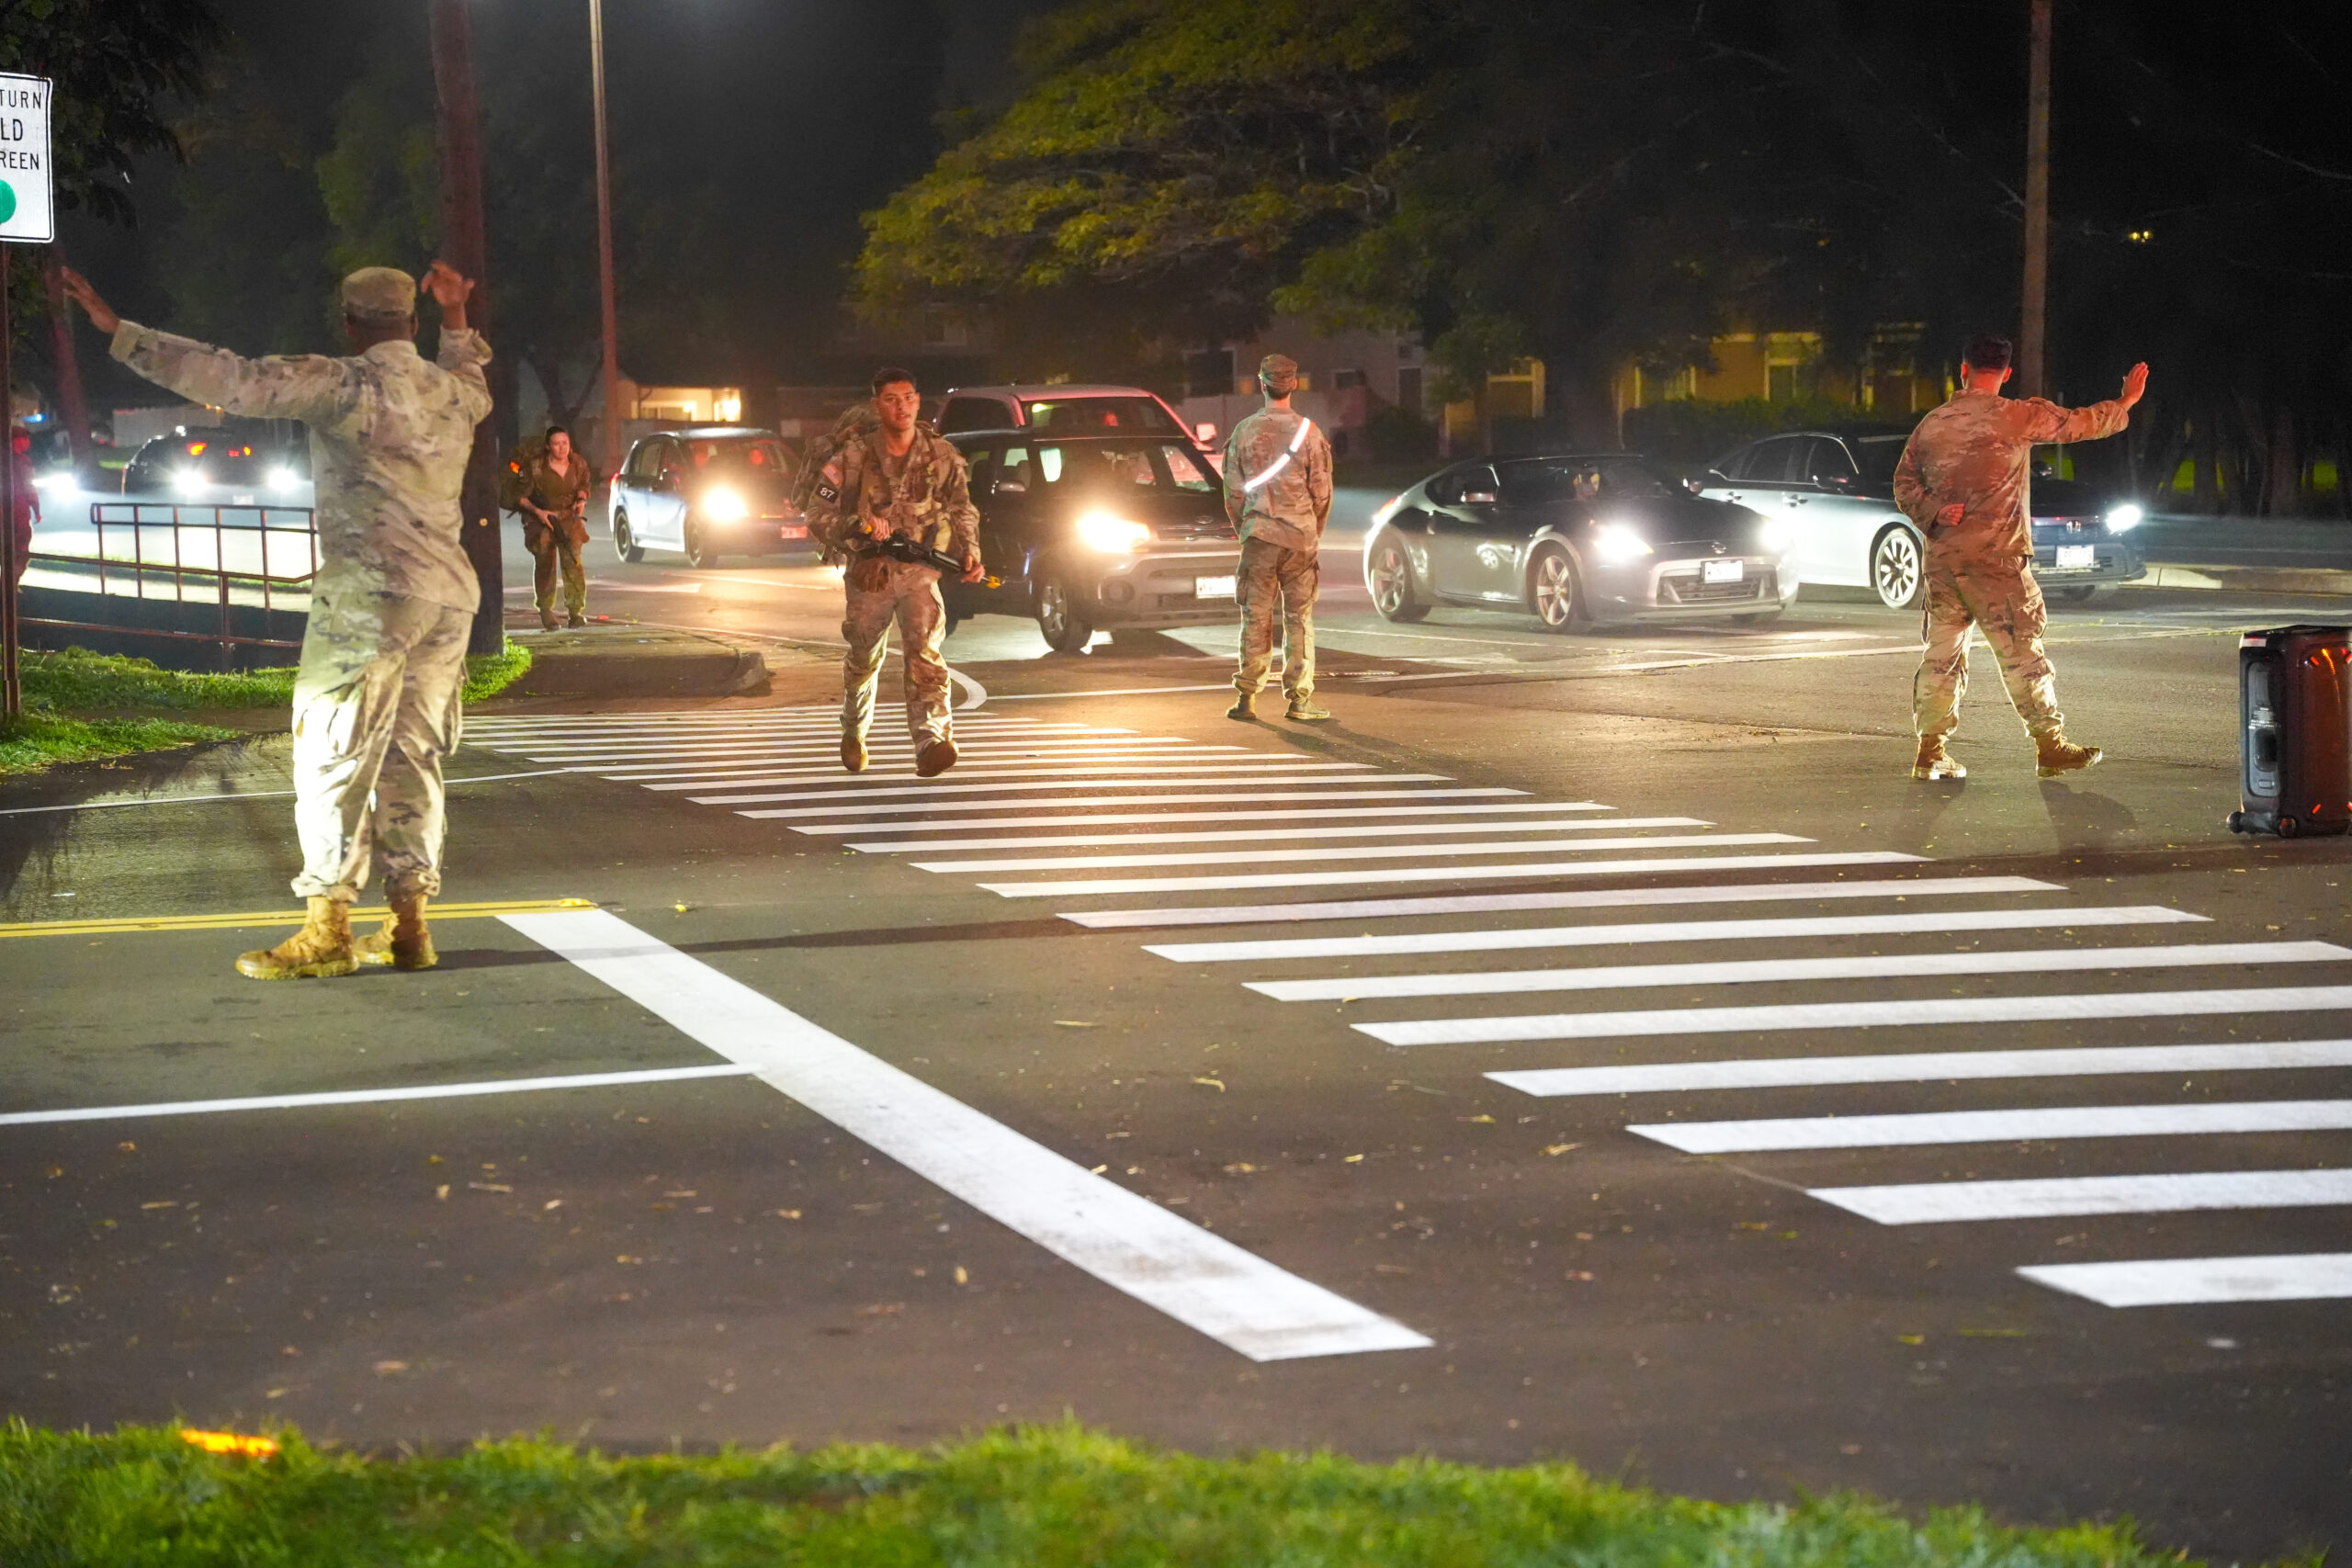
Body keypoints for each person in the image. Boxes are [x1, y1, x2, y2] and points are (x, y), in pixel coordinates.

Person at [60, 261, 493, 977]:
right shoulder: (452, 394)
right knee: (413, 757)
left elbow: (233, 378)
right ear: (410, 323)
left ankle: (328, 928)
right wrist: (456, 316)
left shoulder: (341, 382)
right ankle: (410, 925)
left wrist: (122, 332)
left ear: (350, 324)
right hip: (447, 597)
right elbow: (472, 375)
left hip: (369, 595)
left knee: (332, 755)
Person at [1894, 333, 2147, 781]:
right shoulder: (2015, 416)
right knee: (2022, 655)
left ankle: (1930, 752)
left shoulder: (1932, 424)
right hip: (1997, 561)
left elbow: (1903, 483)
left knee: (1941, 657)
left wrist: (1933, 512)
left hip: (1945, 561)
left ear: (1963, 370)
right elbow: (2080, 423)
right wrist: (2126, 400)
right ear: (2007, 373)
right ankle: (2050, 746)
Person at [805, 367, 983, 776]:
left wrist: (971, 551)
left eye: (907, 398)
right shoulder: (851, 458)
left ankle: (931, 741)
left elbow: (961, 506)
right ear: (877, 406)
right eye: (890, 399)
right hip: (871, 573)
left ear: (918, 402)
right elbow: (815, 514)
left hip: (920, 570)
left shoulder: (940, 454)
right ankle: (854, 728)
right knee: (864, 655)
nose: (901, 407)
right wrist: (857, 524)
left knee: (925, 652)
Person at [1222, 352, 1333, 722]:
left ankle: (1247, 698)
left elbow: (1233, 493)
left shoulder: (1244, 432)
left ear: (1262, 383)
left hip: (1259, 537)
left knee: (1255, 616)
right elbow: (1322, 493)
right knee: (1299, 618)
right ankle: (1299, 700)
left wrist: (1246, 530)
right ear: (1293, 384)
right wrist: (1312, 531)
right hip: (1299, 539)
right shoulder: (1309, 433)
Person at [510, 424, 595, 630]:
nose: (562, 447)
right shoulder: (536, 468)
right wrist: (538, 512)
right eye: (556, 444)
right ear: (548, 446)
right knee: (545, 564)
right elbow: (520, 496)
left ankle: (575, 612)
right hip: (542, 519)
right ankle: (546, 611)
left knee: (573, 562)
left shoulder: (577, 463)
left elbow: (584, 483)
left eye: (565, 443)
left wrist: (581, 498)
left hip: (568, 518)